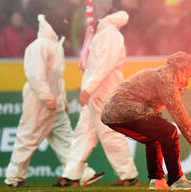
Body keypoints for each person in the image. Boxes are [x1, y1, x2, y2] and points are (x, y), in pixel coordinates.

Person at [4, 14, 101, 188]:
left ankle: (81, 173)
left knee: (65, 138)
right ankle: (14, 178)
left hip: (53, 100)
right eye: (62, 21)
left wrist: (61, 98)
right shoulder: (38, 46)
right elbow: (35, 76)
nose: (64, 23)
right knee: (28, 137)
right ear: (51, 24)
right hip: (39, 100)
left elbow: (57, 78)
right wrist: (47, 97)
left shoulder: (55, 45)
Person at [101, 51, 191, 190]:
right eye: (189, 75)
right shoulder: (166, 79)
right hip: (122, 108)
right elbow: (178, 114)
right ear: (181, 68)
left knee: (155, 136)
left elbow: (152, 109)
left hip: (111, 113)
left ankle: (157, 180)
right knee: (169, 131)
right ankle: (176, 179)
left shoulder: (161, 74)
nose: (187, 82)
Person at [56, 11, 139, 186]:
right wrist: (89, 89)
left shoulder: (109, 34)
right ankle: (72, 175)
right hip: (96, 92)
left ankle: (129, 175)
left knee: (109, 133)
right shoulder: (104, 33)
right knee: (83, 133)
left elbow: (104, 65)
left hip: (103, 91)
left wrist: (88, 89)